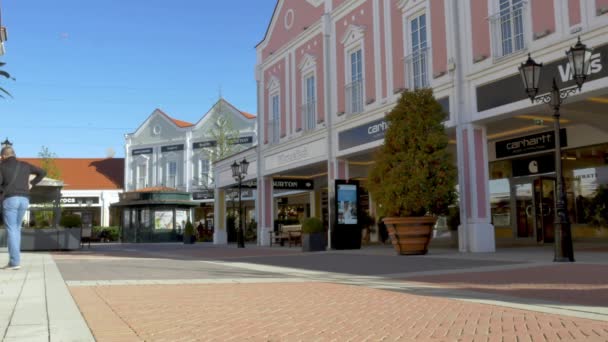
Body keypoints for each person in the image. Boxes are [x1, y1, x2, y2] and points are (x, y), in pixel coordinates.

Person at [0, 146, 46, 270]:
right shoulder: (25, 165)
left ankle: (15, 262)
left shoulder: (1, 166)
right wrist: (32, 183)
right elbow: (42, 172)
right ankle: (14, 261)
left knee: (11, 230)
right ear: (14, 154)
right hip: (24, 199)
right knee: (16, 229)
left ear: (3, 156)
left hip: (10, 200)